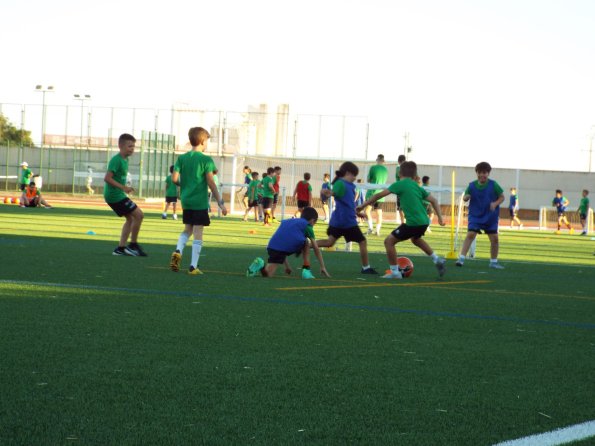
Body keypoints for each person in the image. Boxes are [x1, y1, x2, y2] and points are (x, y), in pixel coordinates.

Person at [357, 161, 446, 279]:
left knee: (388, 242)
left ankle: (395, 272)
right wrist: (440, 218)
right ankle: (437, 259)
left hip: (413, 223)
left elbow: (378, 196)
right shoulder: (416, 186)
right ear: (415, 175)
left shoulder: (400, 184)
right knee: (415, 239)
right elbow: (434, 200)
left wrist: (362, 206)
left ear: (399, 173)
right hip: (424, 222)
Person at [169, 127, 227, 275]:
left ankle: (178, 250)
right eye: (207, 140)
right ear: (202, 141)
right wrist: (220, 201)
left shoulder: (182, 158)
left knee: (187, 229)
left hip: (186, 200)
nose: (207, 143)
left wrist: (185, 185)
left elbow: (174, 179)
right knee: (198, 231)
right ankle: (193, 266)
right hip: (199, 201)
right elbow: (211, 182)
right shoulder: (206, 159)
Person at [316, 161, 378, 274]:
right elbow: (333, 193)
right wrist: (327, 192)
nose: (355, 178)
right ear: (348, 173)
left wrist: (358, 213)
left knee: (329, 242)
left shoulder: (349, 185)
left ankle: (306, 245)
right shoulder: (341, 184)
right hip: (346, 222)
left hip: (340, 221)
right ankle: (366, 268)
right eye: (354, 175)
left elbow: (347, 204)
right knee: (362, 241)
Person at [246, 207, 330, 279]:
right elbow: (315, 248)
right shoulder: (307, 226)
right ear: (312, 221)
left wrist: (287, 266)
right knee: (306, 242)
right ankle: (306, 271)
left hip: (272, 246)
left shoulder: (291, 221)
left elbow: (284, 243)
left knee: (267, 273)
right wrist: (322, 266)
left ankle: (261, 264)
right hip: (279, 249)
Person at [455, 162, 505, 269]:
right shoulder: (472, 185)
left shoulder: (494, 184)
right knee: (471, 234)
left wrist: (495, 204)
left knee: (495, 239)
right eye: (480, 172)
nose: (482, 175)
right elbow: (465, 197)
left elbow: (502, 197)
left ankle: (493, 262)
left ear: (488, 173)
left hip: (490, 216)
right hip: (475, 216)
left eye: (485, 173)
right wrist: (466, 197)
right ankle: (461, 259)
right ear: (477, 173)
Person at [104, 133, 146, 256]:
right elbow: (107, 178)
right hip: (114, 196)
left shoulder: (125, 159)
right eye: (129, 146)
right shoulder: (116, 160)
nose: (132, 149)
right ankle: (132, 245)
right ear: (120, 146)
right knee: (139, 215)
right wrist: (124, 188)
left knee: (131, 218)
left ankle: (120, 248)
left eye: (133, 146)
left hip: (118, 195)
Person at [365, 154, 389, 236]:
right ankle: (377, 231)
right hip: (381, 194)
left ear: (377, 159)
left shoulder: (373, 168)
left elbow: (368, 179)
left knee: (367, 211)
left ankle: (370, 228)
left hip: (372, 193)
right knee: (379, 213)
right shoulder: (385, 170)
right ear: (383, 160)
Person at [394, 155, 406, 224]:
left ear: (398, 161)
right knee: (406, 207)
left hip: (400, 190)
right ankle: (405, 223)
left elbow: (398, 177)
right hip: (408, 190)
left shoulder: (398, 168)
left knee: (400, 208)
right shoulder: (409, 169)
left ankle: (403, 223)